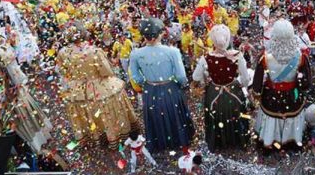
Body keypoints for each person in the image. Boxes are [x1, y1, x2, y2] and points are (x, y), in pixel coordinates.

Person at [58, 23, 138, 147]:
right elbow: (106, 71)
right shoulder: (94, 51)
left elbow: (64, 72)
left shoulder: (63, 53)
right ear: (84, 34)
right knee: (106, 112)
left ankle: (95, 136)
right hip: (100, 87)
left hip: (77, 90)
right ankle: (113, 135)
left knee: (88, 113)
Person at [130, 17, 195, 152]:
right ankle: (179, 139)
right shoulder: (172, 51)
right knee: (173, 113)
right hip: (170, 87)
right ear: (161, 33)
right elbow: (181, 76)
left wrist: (147, 84)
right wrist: (182, 85)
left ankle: (159, 142)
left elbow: (135, 76)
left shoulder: (135, 54)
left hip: (150, 88)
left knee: (155, 115)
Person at [251, 19, 312, 149]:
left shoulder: (265, 58)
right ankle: (292, 139)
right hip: (293, 96)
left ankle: (270, 140)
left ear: (274, 36)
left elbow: (257, 86)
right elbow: (306, 84)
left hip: (271, 97)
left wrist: (257, 94)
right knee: (293, 113)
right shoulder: (301, 57)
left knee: (270, 116)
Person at [192, 24, 251, 152]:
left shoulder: (206, 57)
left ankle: (218, 141)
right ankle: (237, 139)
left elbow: (196, 77)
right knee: (236, 113)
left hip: (214, 92)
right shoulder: (237, 55)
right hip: (233, 90)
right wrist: (242, 85)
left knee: (215, 114)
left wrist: (206, 79)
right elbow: (246, 78)